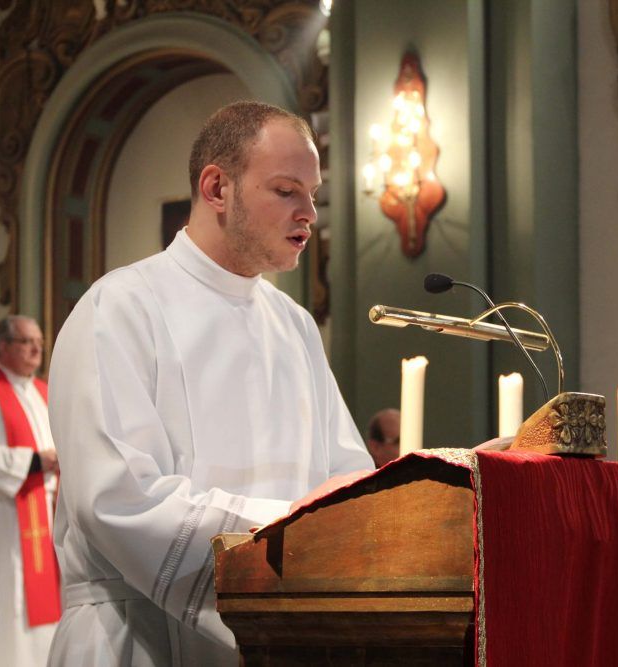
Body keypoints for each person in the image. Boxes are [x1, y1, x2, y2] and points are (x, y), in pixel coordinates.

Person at [47, 101, 374, 666]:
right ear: (217, 188)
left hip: (279, 640)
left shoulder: (295, 326)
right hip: (136, 638)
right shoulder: (120, 307)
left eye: (313, 194)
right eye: (286, 190)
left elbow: (345, 480)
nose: (309, 214)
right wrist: (290, 531)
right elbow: (118, 499)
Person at [0, 316, 60, 667]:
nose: (37, 349)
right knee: (6, 598)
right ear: (2, 346)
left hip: (43, 512)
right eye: (26, 341)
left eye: (40, 342)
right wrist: (34, 461)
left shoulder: (44, 393)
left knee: (37, 605)